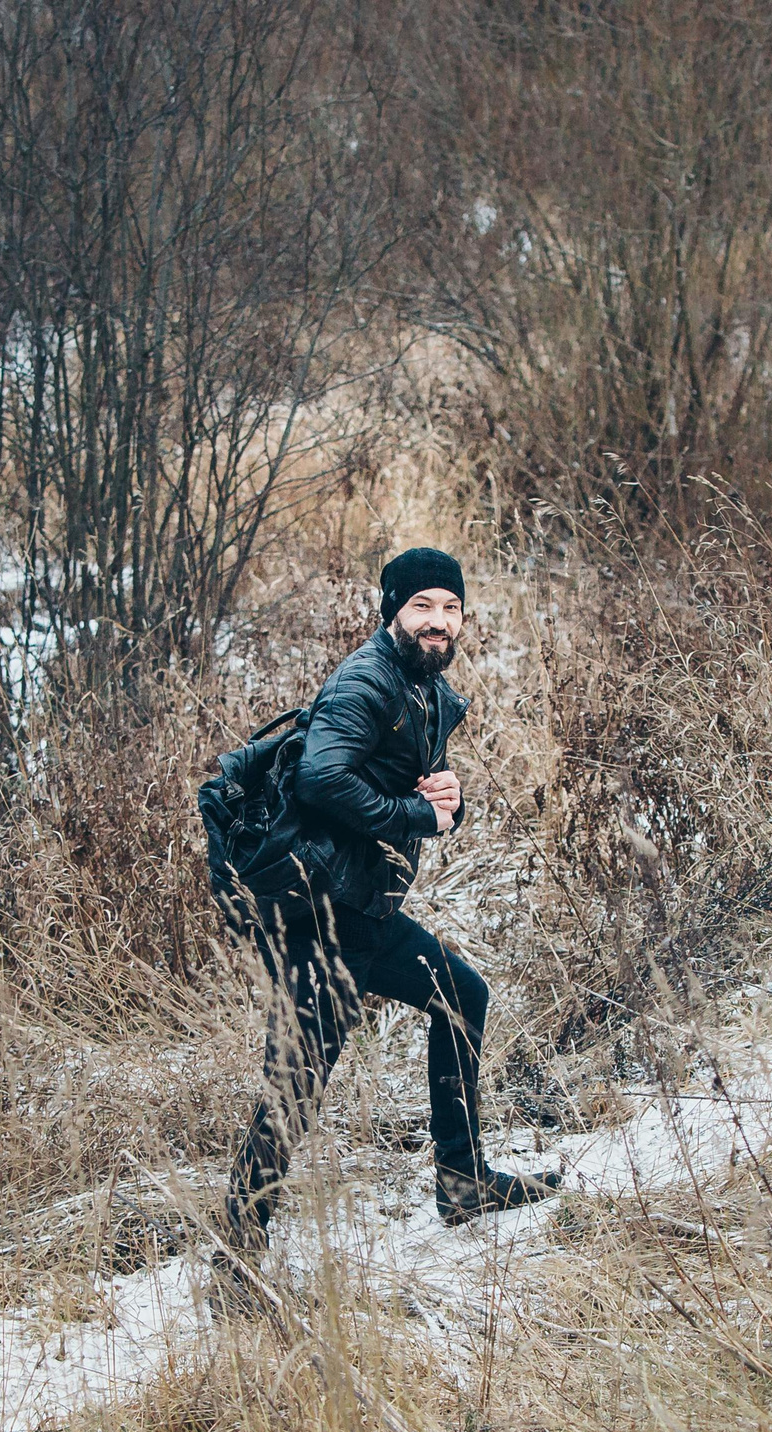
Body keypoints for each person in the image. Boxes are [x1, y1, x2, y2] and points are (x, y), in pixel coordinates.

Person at [211, 547, 560, 1318]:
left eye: (452, 608)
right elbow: (322, 779)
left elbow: (406, 788)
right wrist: (416, 816)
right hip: (320, 921)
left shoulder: (422, 686)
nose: (439, 622)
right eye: (423, 606)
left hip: (362, 911)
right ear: (392, 611)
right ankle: (235, 1261)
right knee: (297, 1084)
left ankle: (463, 1181)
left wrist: (448, 802)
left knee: (462, 995)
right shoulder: (367, 681)